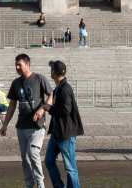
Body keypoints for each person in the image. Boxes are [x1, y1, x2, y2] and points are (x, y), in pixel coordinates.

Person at [1, 52, 54, 188]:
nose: (17, 67)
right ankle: (29, 184)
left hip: (37, 126)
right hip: (21, 127)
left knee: (33, 153)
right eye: (16, 65)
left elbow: (52, 94)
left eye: (20, 65)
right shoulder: (16, 83)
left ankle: (40, 183)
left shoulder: (39, 78)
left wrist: (43, 109)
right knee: (25, 159)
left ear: (28, 64)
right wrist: (5, 124)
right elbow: (12, 105)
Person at [44, 60, 83, 188]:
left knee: (70, 168)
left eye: (51, 69)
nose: (50, 72)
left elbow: (66, 110)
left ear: (54, 72)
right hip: (57, 132)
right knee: (49, 161)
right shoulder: (59, 87)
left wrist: (49, 108)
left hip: (65, 133)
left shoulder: (65, 88)